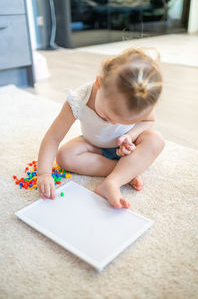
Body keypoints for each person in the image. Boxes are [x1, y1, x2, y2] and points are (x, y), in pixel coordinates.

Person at [37, 47, 165, 209]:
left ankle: (113, 182)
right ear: (99, 83)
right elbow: (53, 137)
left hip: (127, 148)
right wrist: (44, 173)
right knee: (64, 156)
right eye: (106, 116)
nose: (112, 123)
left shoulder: (140, 100)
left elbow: (148, 121)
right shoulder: (77, 101)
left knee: (156, 140)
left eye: (124, 121)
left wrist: (130, 135)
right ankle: (126, 171)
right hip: (95, 146)